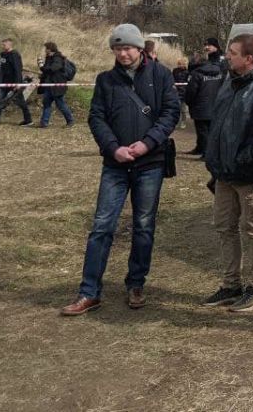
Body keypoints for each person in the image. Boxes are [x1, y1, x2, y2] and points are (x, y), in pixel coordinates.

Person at [60, 24, 180, 316]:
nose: (123, 53)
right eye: (117, 48)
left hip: (149, 163)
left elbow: (171, 112)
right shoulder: (105, 80)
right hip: (115, 164)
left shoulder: (161, 75)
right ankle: (89, 291)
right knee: (101, 226)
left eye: (127, 48)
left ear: (140, 48)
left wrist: (147, 143)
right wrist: (113, 147)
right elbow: (96, 117)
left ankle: (136, 284)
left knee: (143, 226)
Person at [201, 34, 253, 312]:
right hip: (224, 172)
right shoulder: (229, 80)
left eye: (232, 53)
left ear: (249, 58)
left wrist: (247, 159)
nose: (227, 56)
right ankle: (230, 285)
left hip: (250, 173)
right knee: (224, 227)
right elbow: (219, 123)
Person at [184, 41, 225, 155]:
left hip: (200, 105)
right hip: (215, 104)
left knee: (202, 130)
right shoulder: (220, 71)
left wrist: (189, 102)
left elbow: (191, 91)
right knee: (209, 130)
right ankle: (201, 148)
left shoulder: (197, 73)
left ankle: (205, 152)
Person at [0, 37, 33, 126]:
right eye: (2, 44)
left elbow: (18, 69)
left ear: (10, 44)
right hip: (4, 82)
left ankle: (28, 120)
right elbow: (1, 69)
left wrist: (18, 83)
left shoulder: (14, 55)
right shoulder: (3, 54)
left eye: (4, 44)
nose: (3, 46)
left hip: (14, 82)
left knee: (20, 102)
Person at [38, 42, 75, 128]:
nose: (45, 50)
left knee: (60, 104)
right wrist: (43, 74)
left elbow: (52, 69)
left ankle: (70, 121)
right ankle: (44, 123)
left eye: (46, 48)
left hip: (57, 86)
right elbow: (47, 72)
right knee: (46, 103)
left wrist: (42, 67)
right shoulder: (49, 58)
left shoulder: (58, 58)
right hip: (49, 85)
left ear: (49, 49)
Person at [172, 58, 190, 130]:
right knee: (176, 108)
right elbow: (172, 79)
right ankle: (176, 122)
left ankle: (183, 121)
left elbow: (188, 82)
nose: (179, 65)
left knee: (183, 109)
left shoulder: (188, 72)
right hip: (176, 92)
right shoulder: (175, 70)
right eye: (178, 64)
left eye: (181, 64)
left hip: (184, 93)